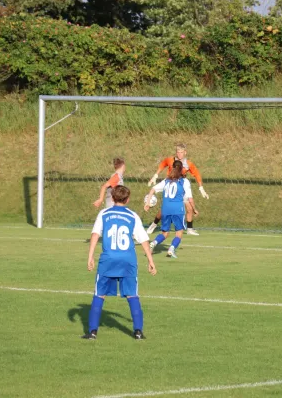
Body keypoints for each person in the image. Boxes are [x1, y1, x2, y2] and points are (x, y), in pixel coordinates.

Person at [82, 185, 157, 340]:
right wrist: (151, 260)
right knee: (132, 295)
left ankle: (92, 332)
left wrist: (90, 256)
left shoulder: (104, 214)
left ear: (112, 198)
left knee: (99, 294)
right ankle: (138, 332)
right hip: (127, 260)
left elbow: (95, 234)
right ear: (127, 199)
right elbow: (143, 239)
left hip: (108, 259)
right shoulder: (132, 216)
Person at [146, 143, 207, 235]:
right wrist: (156, 175)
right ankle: (154, 224)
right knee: (164, 209)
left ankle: (190, 229)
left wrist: (201, 188)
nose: (179, 154)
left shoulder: (188, 164)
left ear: (185, 153)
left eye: (181, 152)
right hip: (170, 183)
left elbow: (197, 174)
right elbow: (163, 164)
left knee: (189, 207)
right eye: (178, 152)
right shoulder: (171, 160)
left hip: (181, 185)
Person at [144, 160, 197, 258]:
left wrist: (147, 203)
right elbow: (189, 198)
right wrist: (194, 209)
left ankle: (154, 243)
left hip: (166, 209)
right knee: (179, 233)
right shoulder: (184, 181)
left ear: (172, 168)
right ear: (182, 170)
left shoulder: (166, 180)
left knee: (164, 233)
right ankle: (171, 249)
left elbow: (153, 189)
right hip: (177, 209)